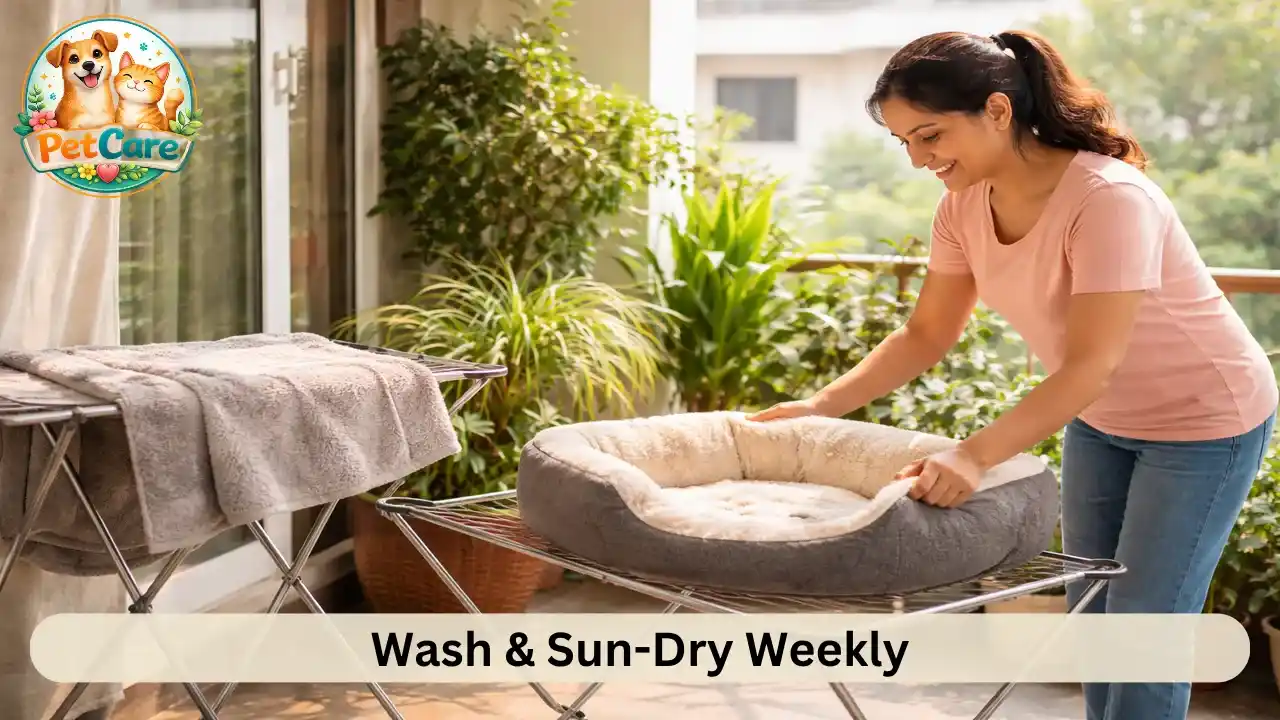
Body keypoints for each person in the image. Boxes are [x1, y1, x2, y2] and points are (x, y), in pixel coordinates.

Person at [747, 28, 1278, 720]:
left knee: (1145, 629)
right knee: (1094, 613)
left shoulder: (1109, 199)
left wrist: (972, 456)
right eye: (904, 142)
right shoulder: (961, 207)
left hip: (1205, 420)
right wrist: (820, 404)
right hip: (1102, 419)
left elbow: (1093, 363)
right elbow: (927, 333)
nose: (917, 159)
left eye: (930, 136)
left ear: (999, 110)